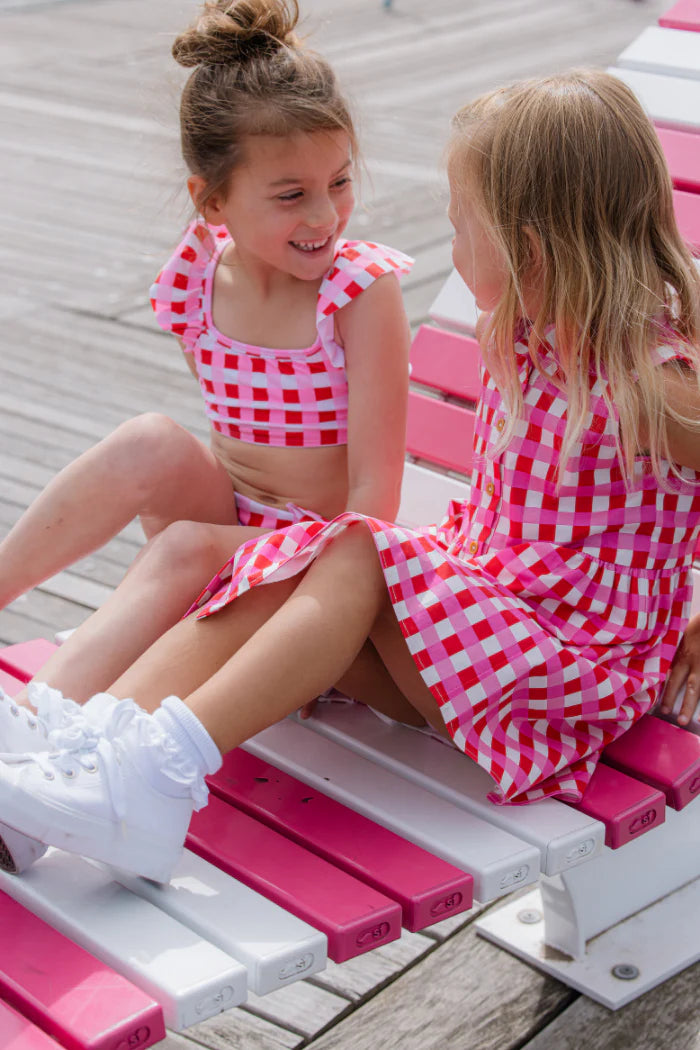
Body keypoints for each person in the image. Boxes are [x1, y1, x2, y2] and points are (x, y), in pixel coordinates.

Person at [2, 68, 700, 885]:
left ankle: (153, 777)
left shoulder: (654, 385)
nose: (452, 250)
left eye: (460, 228)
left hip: (566, 679)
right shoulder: (528, 328)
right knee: (272, 561)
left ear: (529, 252)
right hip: (482, 637)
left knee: (356, 548)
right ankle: (75, 761)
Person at [0, 0, 412, 695]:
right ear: (211, 201)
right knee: (149, 441)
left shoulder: (358, 292)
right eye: (291, 195)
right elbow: (225, 455)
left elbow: (373, 506)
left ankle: (42, 719)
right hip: (227, 536)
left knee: (186, 546)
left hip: (325, 568)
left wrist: (301, 607)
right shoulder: (194, 279)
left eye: (339, 182)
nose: (325, 215)